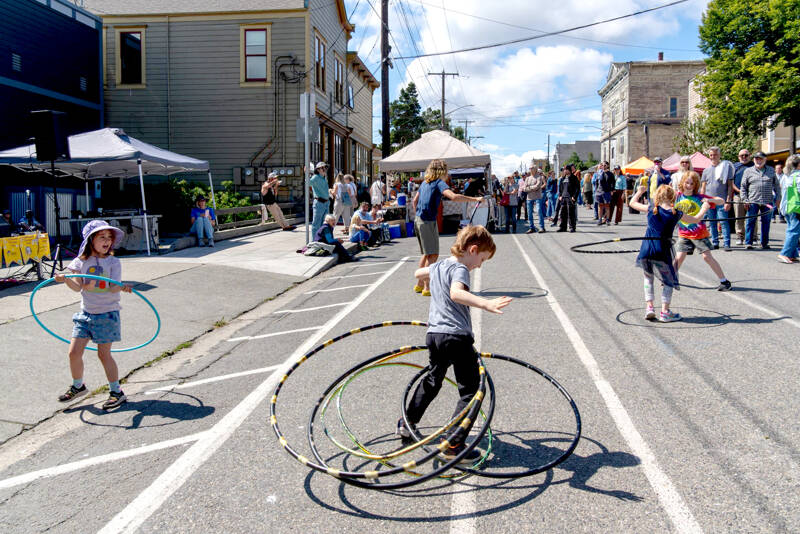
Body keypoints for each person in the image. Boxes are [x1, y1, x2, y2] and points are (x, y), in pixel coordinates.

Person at [397, 225, 512, 462]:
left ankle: (407, 422)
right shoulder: (461, 269)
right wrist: (486, 304)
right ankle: (452, 443)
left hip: (434, 335)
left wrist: (427, 274)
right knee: (472, 389)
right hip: (456, 336)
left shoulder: (439, 266)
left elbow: (418, 275)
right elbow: (457, 294)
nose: (479, 265)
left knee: (432, 380)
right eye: (481, 259)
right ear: (472, 249)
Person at [53, 220, 132, 409]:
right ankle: (78, 386)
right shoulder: (81, 261)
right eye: (102, 237)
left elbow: (113, 288)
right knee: (73, 353)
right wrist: (64, 279)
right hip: (86, 314)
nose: (107, 241)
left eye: (109, 238)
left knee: (103, 355)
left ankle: (116, 392)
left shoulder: (113, 262)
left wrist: (121, 287)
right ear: (90, 240)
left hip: (107, 314)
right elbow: (77, 287)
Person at [629, 185, 712, 322]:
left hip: (647, 249)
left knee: (648, 278)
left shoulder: (651, 209)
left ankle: (649, 307)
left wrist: (639, 192)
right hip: (662, 250)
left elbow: (632, 203)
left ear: (657, 197)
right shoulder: (675, 213)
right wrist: (704, 208)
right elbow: (696, 219)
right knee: (668, 280)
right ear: (673, 198)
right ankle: (665, 311)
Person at [412, 159, 484, 296]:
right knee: (432, 255)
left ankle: (419, 284)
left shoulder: (424, 183)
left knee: (427, 253)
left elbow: (415, 201)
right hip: (427, 221)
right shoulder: (439, 183)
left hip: (420, 220)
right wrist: (474, 199)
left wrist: (418, 215)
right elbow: (454, 197)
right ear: (442, 171)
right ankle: (427, 287)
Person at [673, 171, 732, 291]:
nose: (689, 185)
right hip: (683, 233)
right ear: (682, 183)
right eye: (687, 182)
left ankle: (724, 281)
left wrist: (711, 201)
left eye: (692, 183)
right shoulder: (676, 196)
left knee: (707, 257)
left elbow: (720, 200)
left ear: (695, 185)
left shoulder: (700, 197)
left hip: (699, 233)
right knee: (679, 257)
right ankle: (670, 278)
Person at [741, 151, 780, 250]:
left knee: (766, 222)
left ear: (765, 160)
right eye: (756, 159)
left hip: (767, 201)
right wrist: (745, 200)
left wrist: (778, 198)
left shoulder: (771, 170)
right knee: (750, 222)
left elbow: (777, 186)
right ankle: (748, 243)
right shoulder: (748, 171)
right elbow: (743, 187)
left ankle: (764, 243)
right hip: (752, 201)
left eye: (760, 159)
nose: (758, 160)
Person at [700, 146, 734, 251]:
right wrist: (701, 200)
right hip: (709, 201)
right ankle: (715, 242)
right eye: (711, 155)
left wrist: (728, 201)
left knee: (723, 222)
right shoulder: (706, 170)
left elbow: (730, 186)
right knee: (712, 223)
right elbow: (704, 187)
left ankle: (727, 243)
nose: (713, 157)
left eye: (715, 155)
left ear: (719, 155)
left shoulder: (725, 168)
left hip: (721, 201)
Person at [777, 154, 800, 263]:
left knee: (792, 230)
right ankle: (784, 253)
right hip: (796, 208)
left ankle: (792, 253)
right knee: (794, 231)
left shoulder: (786, 175)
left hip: (787, 206)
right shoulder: (798, 175)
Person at [732, 148, 756, 245]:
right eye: (742, 155)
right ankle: (740, 236)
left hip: (752, 196)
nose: (744, 157)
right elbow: (731, 182)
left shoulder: (754, 166)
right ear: (738, 157)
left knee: (752, 217)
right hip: (738, 195)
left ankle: (753, 236)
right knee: (739, 217)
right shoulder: (735, 167)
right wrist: (740, 191)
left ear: (750, 156)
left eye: (746, 155)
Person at [310, 162, 331, 239]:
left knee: (325, 223)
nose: (324, 169)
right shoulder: (315, 177)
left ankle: (321, 240)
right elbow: (308, 183)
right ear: (318, 169)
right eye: (322, 168)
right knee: (316, 224)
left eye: (325, 167)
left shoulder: (324, 177)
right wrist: (307, 173)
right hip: (319, 202)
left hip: (326, 202)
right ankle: (315, 241)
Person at [557, 164, 580, 232]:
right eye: (564, 170)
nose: (565, 171)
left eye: (566, 169)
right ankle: (563, 227)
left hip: (570, 198)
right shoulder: (563, 178)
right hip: (563, 198)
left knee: (571, 213)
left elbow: (577, 188)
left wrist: (574, 197)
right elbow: (561, 188)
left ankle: (572, 227)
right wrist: (560, 196)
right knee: (562, 213)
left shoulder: (574, 178)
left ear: (569, 170)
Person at [523, 168, 545, 233]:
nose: (531, 169)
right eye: (530, 168)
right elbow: (524, 188)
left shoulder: (539, 177)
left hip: (538, 197)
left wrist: (529, 188)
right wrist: (531, 188)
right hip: (529, 197)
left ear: (535, 169)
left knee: (539, 211)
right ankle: (531, 227)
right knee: (529, 213)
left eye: (532, 168)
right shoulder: (527, 178)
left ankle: (542, 227)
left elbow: (537, 186)